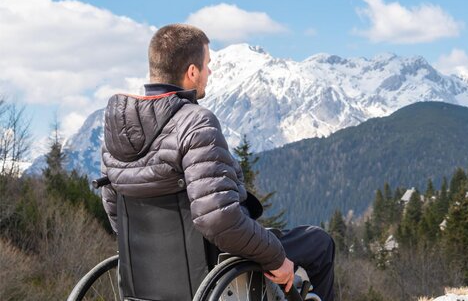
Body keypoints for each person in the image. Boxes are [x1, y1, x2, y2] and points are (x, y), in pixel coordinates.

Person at [101, 23, 335, 300]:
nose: (209, 72)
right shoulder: (194, 122)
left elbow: (114, 207)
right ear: (192, 72)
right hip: (212, 261)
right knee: (319, 242)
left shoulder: (118, 128)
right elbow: (218, 218)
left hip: (148, 274)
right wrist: (276, 258)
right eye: (207, 64)